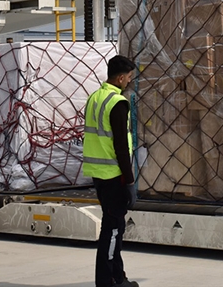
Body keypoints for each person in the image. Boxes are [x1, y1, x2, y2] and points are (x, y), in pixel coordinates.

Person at [83, 55, 140, 287]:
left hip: (98, 173)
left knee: (115, 227)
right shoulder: (117, 103)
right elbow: (120, 146)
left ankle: (118, 277)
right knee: (113, 231)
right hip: (113, 174)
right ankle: (106, 281)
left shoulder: (95, 97)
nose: (130, 81)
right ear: (120, 78)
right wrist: (130, 180)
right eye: (129, 77)